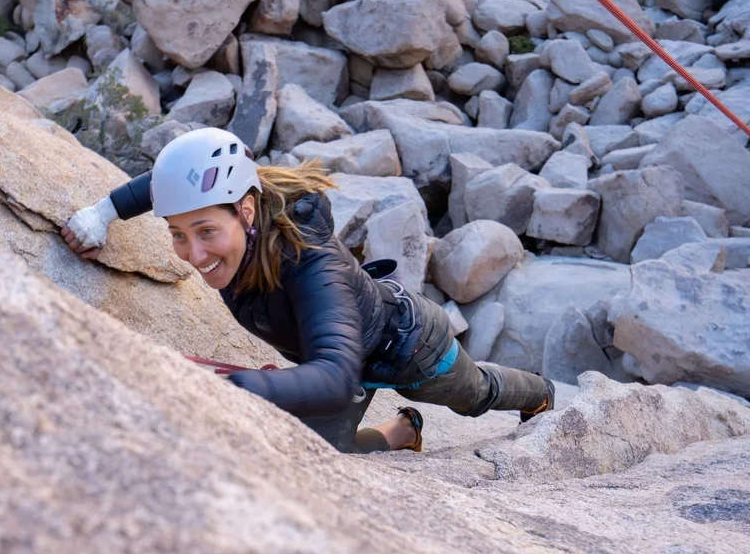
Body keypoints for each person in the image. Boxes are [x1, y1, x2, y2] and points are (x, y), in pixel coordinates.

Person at [62, 128, 554, 454]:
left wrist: (227, 390)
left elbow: (336, 380)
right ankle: (402, 431)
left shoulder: (311, 267)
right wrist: (102, 215)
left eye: (206, 232)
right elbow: (165, 185)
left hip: (410, 348)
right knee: (318, 455)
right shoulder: (226, 206)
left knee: (474, 396)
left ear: (246, 213)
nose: (192, 254)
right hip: (339, 352)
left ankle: (541, 392)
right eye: (178, 234)